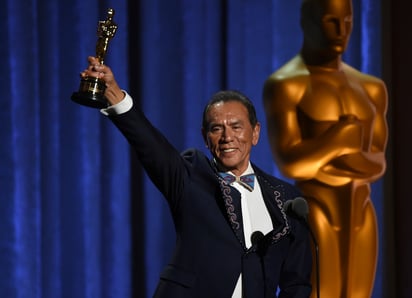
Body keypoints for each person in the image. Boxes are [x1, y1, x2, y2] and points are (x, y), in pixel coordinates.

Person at [77, 56, 312, 298]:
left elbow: (297, 283)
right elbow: (151, 147)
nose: (227, 136)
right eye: (216, 128)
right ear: (205, 137)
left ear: (255, 133)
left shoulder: (286, 199)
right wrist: (116, 96)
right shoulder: (190, 177)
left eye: (236, 126)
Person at [262, 0, 388, 297]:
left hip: (361, 211)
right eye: (331, 21)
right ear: (308, 21)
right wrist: (340, 141)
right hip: (316, 209)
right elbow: (291, 163)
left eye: (347, 22)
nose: (340, 31)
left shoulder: (370, 88)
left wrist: (326, 156)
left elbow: (378, 162)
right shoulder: (287, 85)